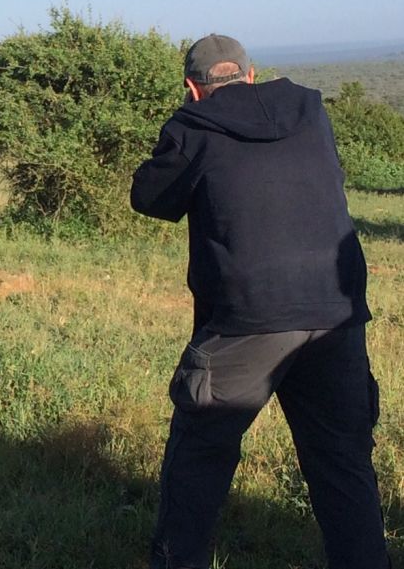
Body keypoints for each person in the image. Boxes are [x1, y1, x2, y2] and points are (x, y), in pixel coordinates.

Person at [130, 34, 388, 569]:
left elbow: (149, 198)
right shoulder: (311, 113)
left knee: (199, 457)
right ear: (250, 75)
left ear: (191, 88)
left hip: (246, 321)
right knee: (342, 464)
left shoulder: (193, 126)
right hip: (336, 313)